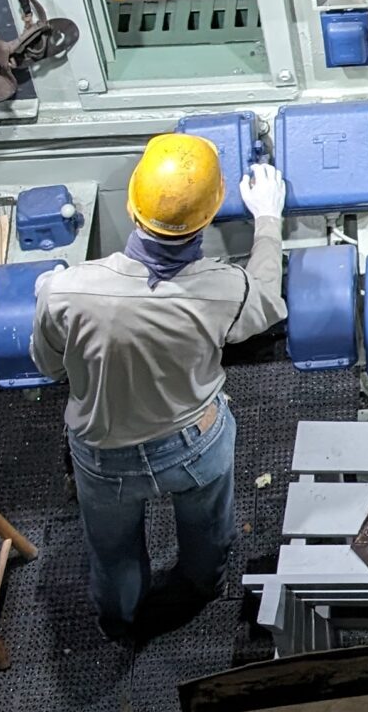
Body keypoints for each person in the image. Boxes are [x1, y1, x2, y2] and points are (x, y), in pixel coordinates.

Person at [30, 132, 288, 632]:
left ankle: (120, 620)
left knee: (112, 552)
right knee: (207, 530)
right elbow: (267, 301)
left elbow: (49, 367)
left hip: (103, 452)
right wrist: (269, 219)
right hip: (193, 445)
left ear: (131, 206)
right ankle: (202, 587)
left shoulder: (64, 290)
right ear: (208, 218)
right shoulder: (224, 289)